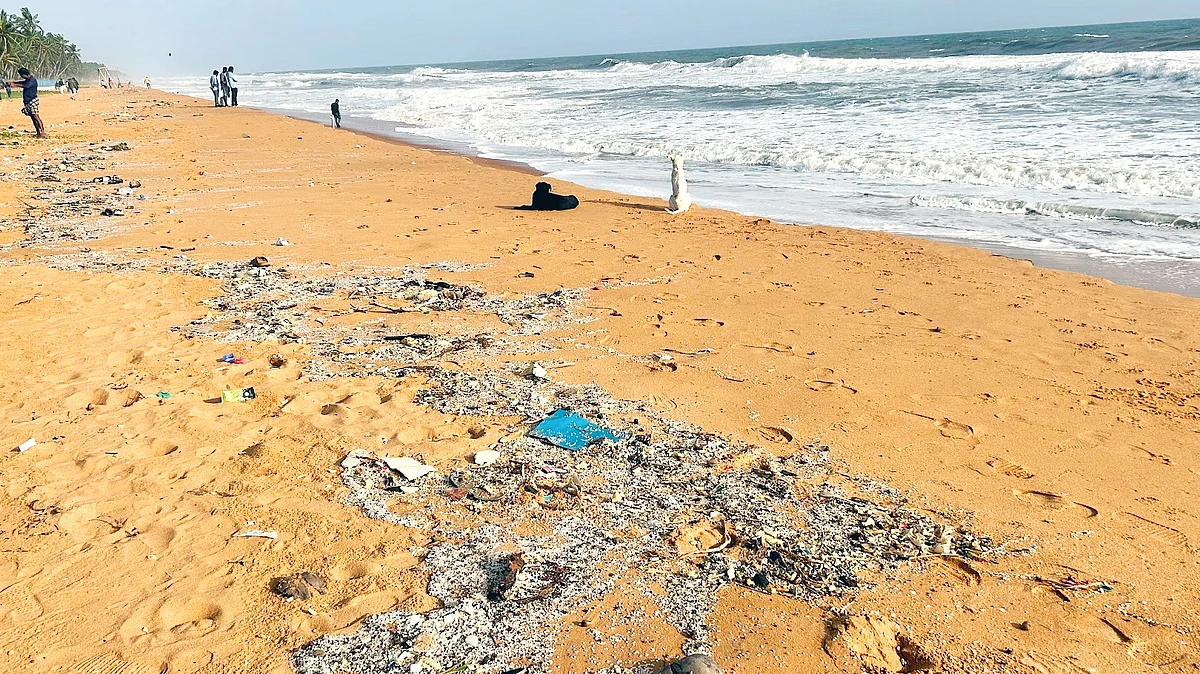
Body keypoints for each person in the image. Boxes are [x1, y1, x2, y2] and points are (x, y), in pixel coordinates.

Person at [8, 68, 46, 138]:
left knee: (36, 117)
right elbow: (23, 83)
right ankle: (38, 132)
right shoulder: (28, 80)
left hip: (32, 100)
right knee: (32, 118)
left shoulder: (32, 80)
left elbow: (26, 85)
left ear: (24, 74)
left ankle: (42, 132)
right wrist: (14, 83)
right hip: (27, 101)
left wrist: (15, 85)